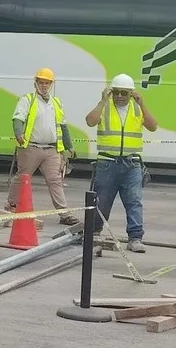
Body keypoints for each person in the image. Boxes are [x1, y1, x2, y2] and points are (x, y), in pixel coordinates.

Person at [85, 73, 157, 252]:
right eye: (116, 92)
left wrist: (142, 104)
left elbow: (153, 126)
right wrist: (102, 100)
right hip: (107, 163)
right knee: (102, 201)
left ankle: (135, 238)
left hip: (131, 164)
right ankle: (95, 232)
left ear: (131, 93)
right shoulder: (105, 107)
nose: (119, 96)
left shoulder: (137, 109)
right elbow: (90, 121)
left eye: (124, 93)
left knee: (134, 202)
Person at [8, 67, 80, 226]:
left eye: (47, 83)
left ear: (51, 84)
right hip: (31, 148)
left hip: (52, 150)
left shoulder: (56, 102)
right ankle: (12, 205)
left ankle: (64, 214)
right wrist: (19, 133)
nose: (44, 86)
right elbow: (18, 118)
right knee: (23, 177)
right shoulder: (27, 99)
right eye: (41, 82)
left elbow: (63, 126)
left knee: (55, 181)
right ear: (35, 83)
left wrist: (69, 146)